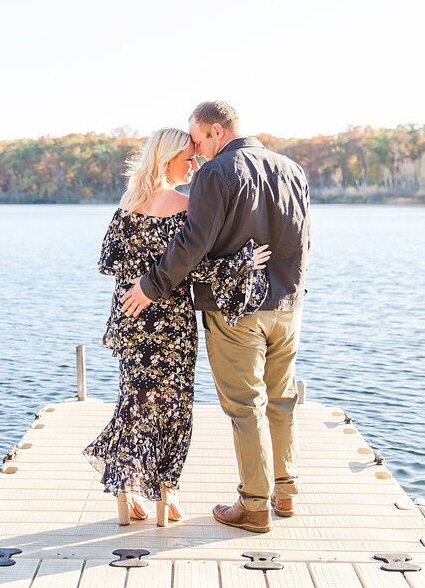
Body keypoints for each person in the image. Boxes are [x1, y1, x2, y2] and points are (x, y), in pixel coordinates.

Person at [121, 101, 311, 533]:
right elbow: (304, 239)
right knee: (281, 401)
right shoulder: (292, 169)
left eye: (199, 139)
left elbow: (194, 241)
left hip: (235, 311)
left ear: (217, 131)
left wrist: (150, 286)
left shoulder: (215, 173)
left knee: (246, 407)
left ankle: (255, 506)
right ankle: (285, 493)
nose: (197, 149)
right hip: (287, 307)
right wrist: (291, 291)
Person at [84, 127, 270, 527]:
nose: (195, 163)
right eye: (189, 157)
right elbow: (192, 263)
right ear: (167, 158)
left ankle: (127, 490)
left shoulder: (127, 202)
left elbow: (111, 262)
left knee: (133, 400)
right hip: (169, 322)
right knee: (172, 406)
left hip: (129, 315)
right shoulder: (184, 204)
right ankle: (168, 494)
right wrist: (242, 263)